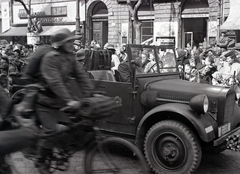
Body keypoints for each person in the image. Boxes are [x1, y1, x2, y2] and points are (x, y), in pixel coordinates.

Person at [34, 28, 94, 173]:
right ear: (60, 43)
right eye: (69, 41)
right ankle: (40, 160)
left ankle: (63, 150)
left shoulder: (70, 57)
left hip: (61, 101)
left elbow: (81, 76)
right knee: (50, 131)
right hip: (45, 101)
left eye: (72, 40)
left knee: (79, 123)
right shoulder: (50, 58)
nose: (73, 43)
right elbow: (55, 83)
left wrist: (91, 94)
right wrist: (69, 100)